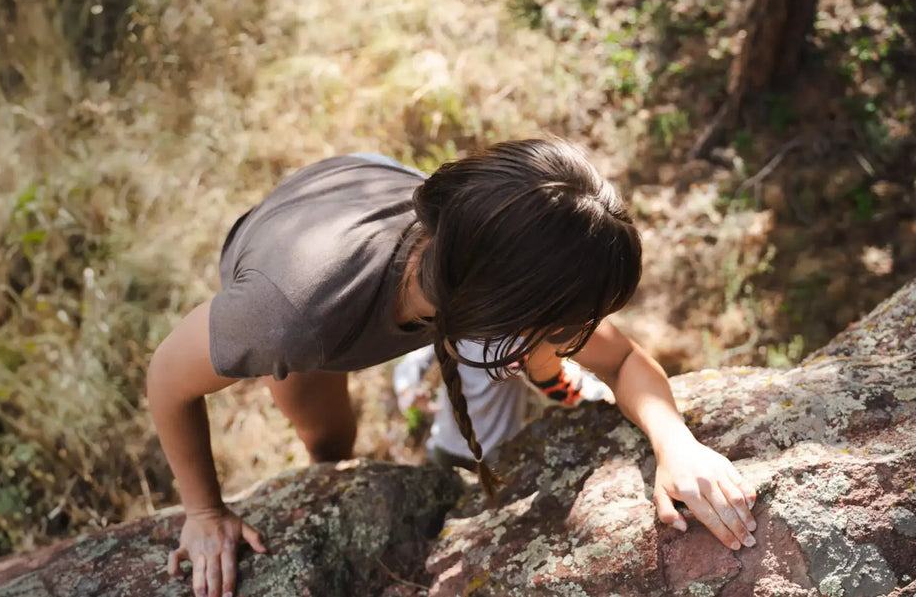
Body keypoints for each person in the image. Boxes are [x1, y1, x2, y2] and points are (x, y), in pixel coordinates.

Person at [144, 139, 758, 597]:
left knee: (499, 370)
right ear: (507, 312)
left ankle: (495, 367)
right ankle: (444, 373)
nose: (582, 337)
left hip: (384, 198)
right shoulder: (293, 321)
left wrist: (676, 444)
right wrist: (204, 514)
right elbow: (167, 382)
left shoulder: (483, 234)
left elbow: (622, 359)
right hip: (305, 234)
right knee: (328, 438)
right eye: (565, 327)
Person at [393, 341, 613, 471]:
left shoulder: (514, 342)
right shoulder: (452, 326)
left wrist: (606, 393)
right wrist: (408, 390)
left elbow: (561, 380)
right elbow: (413, 361)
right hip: (446, 446)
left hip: (496, 456)